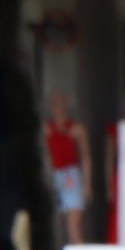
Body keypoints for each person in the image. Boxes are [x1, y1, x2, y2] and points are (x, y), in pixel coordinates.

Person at [43, 92, 92, 242]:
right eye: (54, 103)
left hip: (72, 176)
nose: (58, 107)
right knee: (55, 225)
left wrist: (87, 184)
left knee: (74, 225)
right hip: (55, 175)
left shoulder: (77, 129)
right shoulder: (46, 129)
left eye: (60, 103)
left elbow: (85, 157)